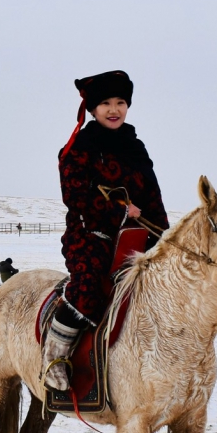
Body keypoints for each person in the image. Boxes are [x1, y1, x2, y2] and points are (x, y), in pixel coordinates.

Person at [42, 70, 169, 391]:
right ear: (92, 109)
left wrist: (164, 238)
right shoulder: (78, 149)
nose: (114, 109)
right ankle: (54, 357)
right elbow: (75, 197)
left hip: (136, 238)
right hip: (90, 236)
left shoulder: (136, 148)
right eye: (106, 103)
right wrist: (120, 210)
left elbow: (153, 198)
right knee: (89, 288)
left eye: (121, 102)